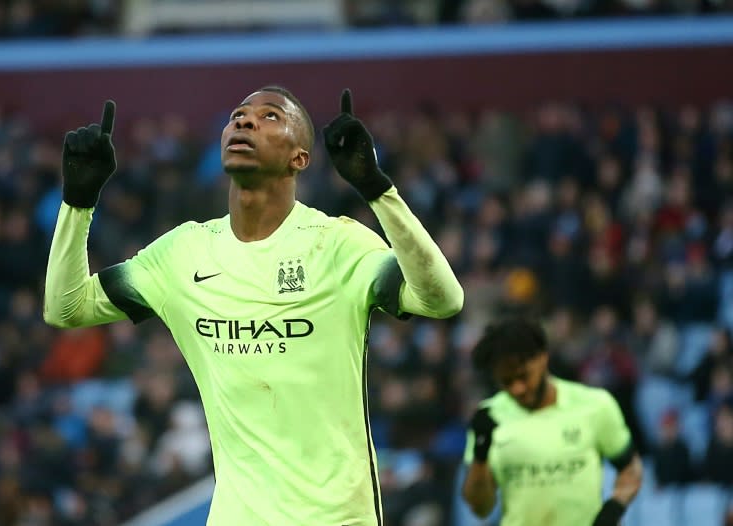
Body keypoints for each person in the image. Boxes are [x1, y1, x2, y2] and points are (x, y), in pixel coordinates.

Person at [43, 87, 463, 525]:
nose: (244, 122)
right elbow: (65, 307)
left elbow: (443, 299)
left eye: (269, 117)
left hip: (337, 517)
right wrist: (78, 202)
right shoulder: (183, 253)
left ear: (299, 158)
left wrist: (377, 189)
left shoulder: (337, 245)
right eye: (238, 115)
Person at [461, 317, 642, 526]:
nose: (517, 389)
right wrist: (480, 455)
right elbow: (481, 508)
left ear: (543, 358)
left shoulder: (595, 405)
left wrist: (615, 506)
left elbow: (630, 468)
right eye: (507, 382)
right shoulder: (488, 418)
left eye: (523, 376)